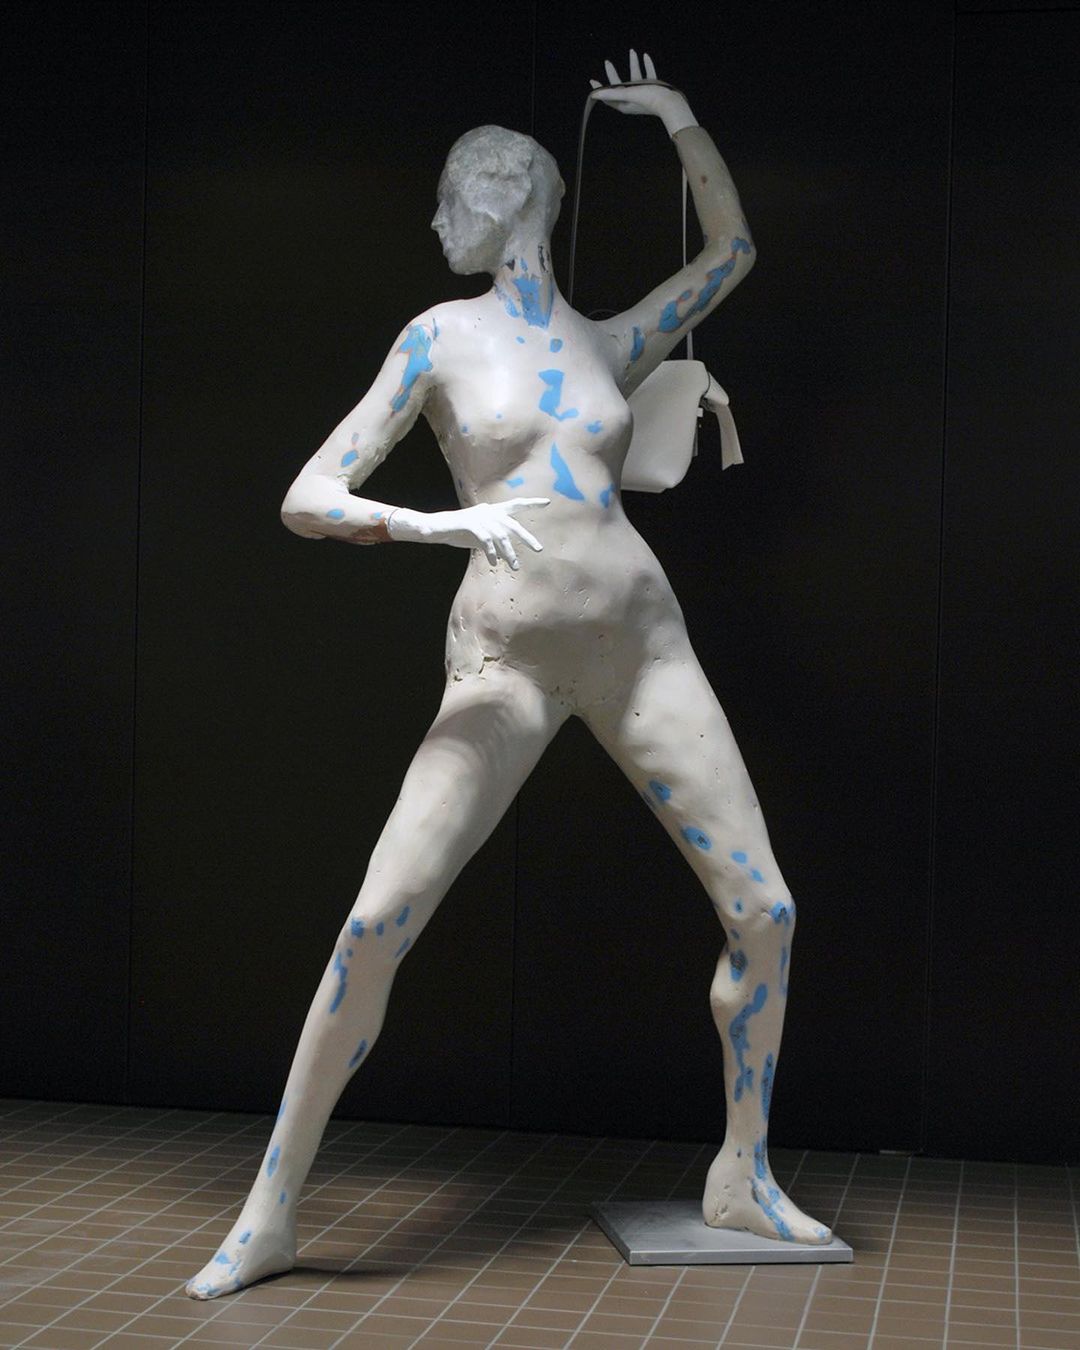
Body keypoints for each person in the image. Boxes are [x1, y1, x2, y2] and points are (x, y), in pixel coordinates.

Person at [187, 51, 829, 1301]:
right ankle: (270, 1212)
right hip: (506, 659)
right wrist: (437, 524)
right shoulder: (438, 337)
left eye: (455, 194)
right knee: (376, 920)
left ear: (510, 194)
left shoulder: (606, 343)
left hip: (642, 645)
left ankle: (742, 1171)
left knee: (767, 911)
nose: (441, 218)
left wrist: (680, 121)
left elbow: (732, 254)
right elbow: (309, 494)